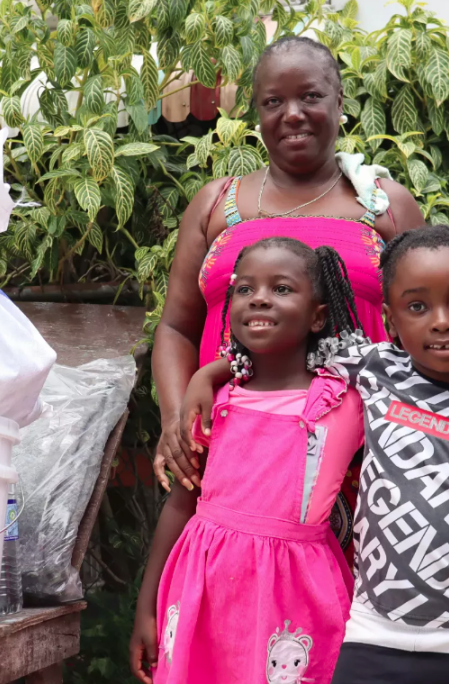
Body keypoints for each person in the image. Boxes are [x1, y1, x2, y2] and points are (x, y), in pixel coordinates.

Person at [183, 227, 449, 684]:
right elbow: (286, 342)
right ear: (389, 317)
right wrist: (209, 373)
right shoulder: (376, 369)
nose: (441, 321)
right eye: (417, 307)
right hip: (370, 639)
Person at [150, 35, 425, 561]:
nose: (293, 114)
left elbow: (425, 327)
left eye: (311, 97)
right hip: (231, 456)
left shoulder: (385, 207)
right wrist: (176, 419)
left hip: (361, 465)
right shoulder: (217, 205)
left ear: (340, 103)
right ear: (257, 112)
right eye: (274, 102)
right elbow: (176, 328)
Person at [129, 239, 369, 684]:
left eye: (281, 288)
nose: (259, 297)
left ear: (318, 315)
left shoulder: (344, 402)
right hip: (204, 590)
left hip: (296, 597)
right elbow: (181, 503)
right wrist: (147, 606)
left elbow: (422, 383)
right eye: (244, 289)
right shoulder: (213, 404)